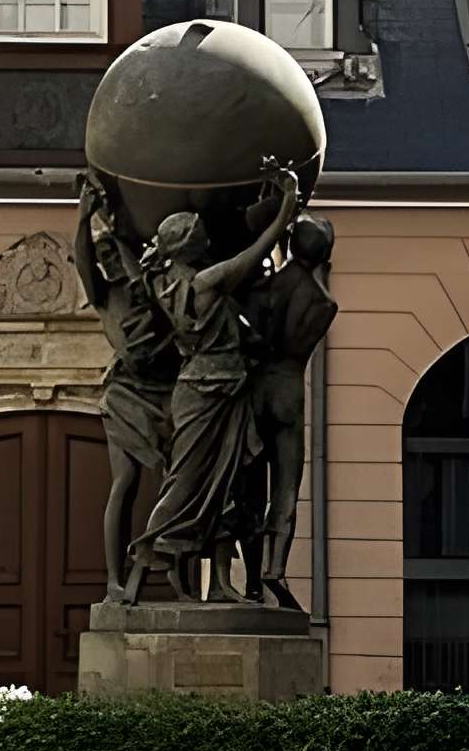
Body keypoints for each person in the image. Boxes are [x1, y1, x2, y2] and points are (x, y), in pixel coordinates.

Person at [122, 163, 300, 606]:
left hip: (217, 389)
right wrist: (288, 202)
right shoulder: (206, 282)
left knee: (226, 489)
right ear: (191, 245)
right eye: (198, 232)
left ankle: (220, 586)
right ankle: (142, 565)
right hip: (211, 391)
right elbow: (261, 246)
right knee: (186, 485)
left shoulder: (161, 283)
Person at [74, 170, 176, 598]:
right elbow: (82, 258)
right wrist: (85, 218)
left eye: (116, 255)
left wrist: (115, 234)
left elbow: (141, 282)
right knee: (125, 481)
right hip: (126, 394)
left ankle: (174, 567)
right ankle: (115, 579)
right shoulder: (104, 295)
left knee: (178, 478)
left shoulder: (148, 287)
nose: (111, 261)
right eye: (106, 257)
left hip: (166, 391)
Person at [241, 213, 337, 610]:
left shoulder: (263, 287)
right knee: (285, 487)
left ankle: (248, 580)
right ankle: (274, 569)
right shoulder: (323, 302)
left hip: (255, 387)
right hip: (288, 390)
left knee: (248, 485)